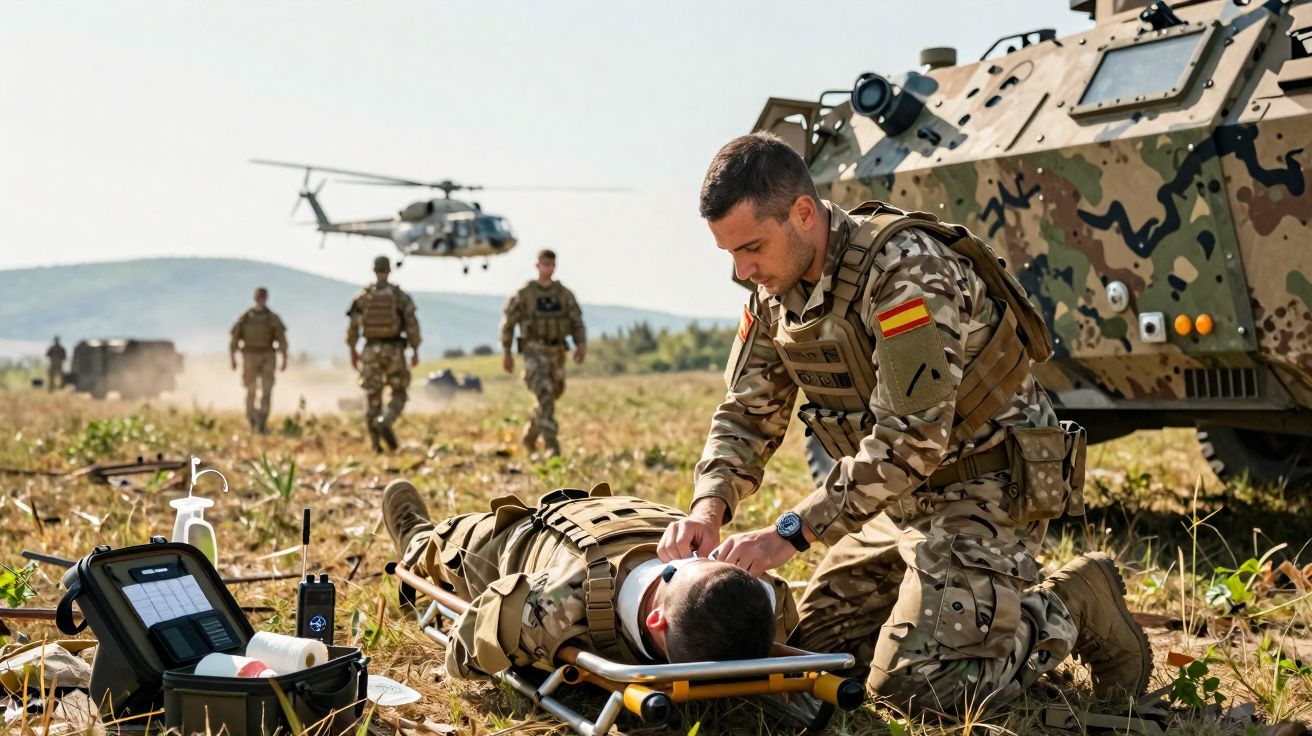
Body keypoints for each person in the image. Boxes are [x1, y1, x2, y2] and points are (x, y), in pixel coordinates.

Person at [657, 132, 1151, 715]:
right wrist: (708, 507)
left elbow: (913, 439)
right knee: (820, 652)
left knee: (921, 689)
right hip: (902, 503)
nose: (743, 271)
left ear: (803, 213)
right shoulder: (775, 290)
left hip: (987, 488)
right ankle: (954, 615)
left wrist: (792, 533)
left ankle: (1074, 601)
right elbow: (746, 411)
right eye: (731, 254)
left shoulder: (904, 271)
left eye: (752, 248)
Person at [383, 479, 795, 679]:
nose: (692, 553)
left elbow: (464, 659)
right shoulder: (765, 598)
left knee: (450, 545)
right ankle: (419, 538)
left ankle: (420, 538)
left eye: (684, 564)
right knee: (441, 547)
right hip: (625, 512)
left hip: (525, 537)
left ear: (657, 621)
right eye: (709, 556)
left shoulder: (556, 601)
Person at [500, 249, 586, 456]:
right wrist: (507, 352)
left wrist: (580, 345)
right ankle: (551, 447)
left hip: (557, 351)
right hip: (534, 351)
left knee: (554, 393)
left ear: (554, 267)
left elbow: (576, 322)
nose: (547, 268)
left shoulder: (564, 295)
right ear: (537, 265)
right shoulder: (525, 294)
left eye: (550, 265)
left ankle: (530, 436)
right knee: (545, 394)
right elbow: (508, 324)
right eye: (543, 264)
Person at [346, 256, 421, 452]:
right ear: (389, 270)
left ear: (374, 270)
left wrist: (353, 351)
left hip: (370, 351)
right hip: (394, 350)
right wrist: (415, 349)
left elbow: (353, 328)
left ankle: (375, 445)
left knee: (373, 397)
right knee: (399, 393)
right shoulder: (399, 295)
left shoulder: (363, 297)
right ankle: (386, 421)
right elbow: (412, 325)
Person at [229, 287, 288, 433]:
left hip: (267, 356)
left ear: (266, 298)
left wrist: (284, 359)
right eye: (258, 297)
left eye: (263, 297)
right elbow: (234, 339)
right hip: (250, 356)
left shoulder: (272, 318)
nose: (260, 300)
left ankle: (262, 420)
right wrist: (233, 359)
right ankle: (252, 418)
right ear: (254, 298)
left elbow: (282, 340)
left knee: (266, 389)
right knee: (251, 389)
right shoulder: (245, 317)